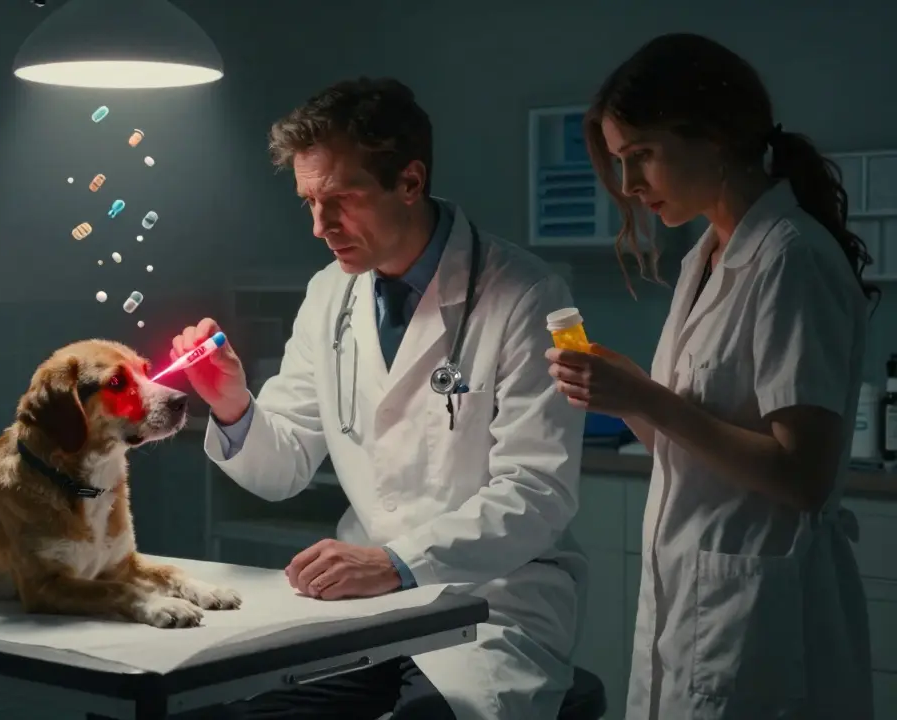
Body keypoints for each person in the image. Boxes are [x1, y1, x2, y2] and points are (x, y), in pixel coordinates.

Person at [169, 77, 589, 719]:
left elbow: (536, 493)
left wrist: (396, 562)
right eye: (309, 201)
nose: (319, 226)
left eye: (339, 199)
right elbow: (282, 469)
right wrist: (231, 403)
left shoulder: (528, 295)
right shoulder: (329, 295)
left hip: (492, 605)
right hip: (365, 611)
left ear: (410, 182)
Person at [547, 33, 878, 720]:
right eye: (620, 161)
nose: (631, 185)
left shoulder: (790, 259)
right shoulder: (708, 252)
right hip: (698, 607)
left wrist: (647, 398)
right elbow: (690, 440)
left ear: (715, 135)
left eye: (642, 155)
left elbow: (803, 475)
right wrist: (630, 390)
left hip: (763, 619)